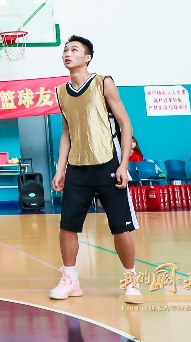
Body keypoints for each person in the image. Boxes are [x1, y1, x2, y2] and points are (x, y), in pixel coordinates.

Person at [50, 36, 141, 304]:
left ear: (87, 57)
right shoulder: (61, 92)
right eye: (65, 50)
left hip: (108, 164)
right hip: (78, 169)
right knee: (68, 226)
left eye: (74, 49)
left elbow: (125, 124)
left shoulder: (103, 82)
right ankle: (70, 280)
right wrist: (60, 169)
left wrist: (124, 164)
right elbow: (66, 133)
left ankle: (131, 280)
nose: (67, 53)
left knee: (120, 227)